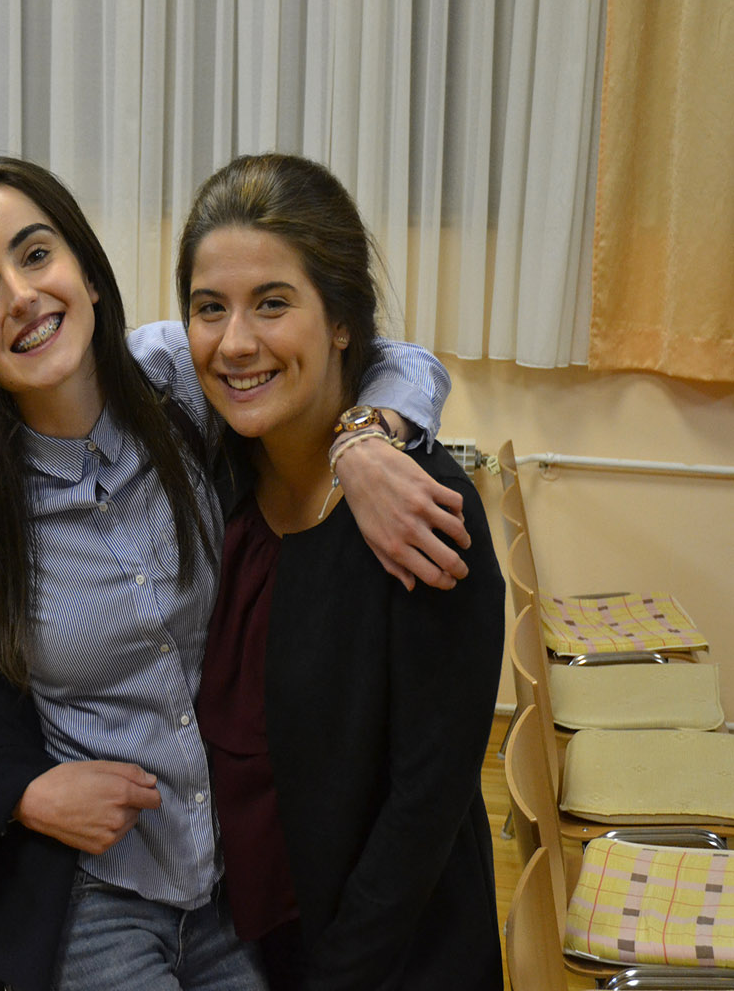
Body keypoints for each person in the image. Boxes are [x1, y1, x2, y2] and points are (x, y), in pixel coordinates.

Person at [0, 155, 470, 991]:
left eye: (36, 254)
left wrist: (365, 438)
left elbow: (393, 355)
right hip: (102, 888)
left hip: (240, 878)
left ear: (88, 272)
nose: (20, 295)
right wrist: (22, 788)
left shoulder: (174, 380)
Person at [179, 153, 505, 989]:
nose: (235, 342)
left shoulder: (420, 513)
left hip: (387, 961)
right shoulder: (211, 478)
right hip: (235, 945)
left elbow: (423, 809)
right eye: (209, 308)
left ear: (341, 323)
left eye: (272, 303)